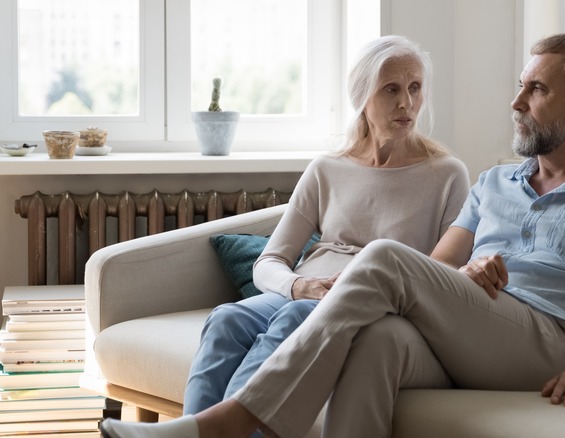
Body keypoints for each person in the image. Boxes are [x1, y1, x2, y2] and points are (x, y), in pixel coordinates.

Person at [101, 33, 565, 438]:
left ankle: (231, 423)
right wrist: (463, 277)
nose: (515, 102)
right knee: (378, 340)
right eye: (520, 85)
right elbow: (437, 271)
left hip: (552, 342)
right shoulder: (493, 183)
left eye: (536, 90)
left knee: (385, 258)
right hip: (480, 331)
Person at [106, 34, 469, 436]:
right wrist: (300, 286)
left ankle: (215, 431)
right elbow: (269, 262)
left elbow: (440, 276)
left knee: (296, 317)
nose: (407, 103)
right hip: (306, 294)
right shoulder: (327, 169)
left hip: (369, 304)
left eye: (415, 88)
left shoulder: (446, 174)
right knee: (226, 318)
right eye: (391, 90)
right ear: (362, 97)